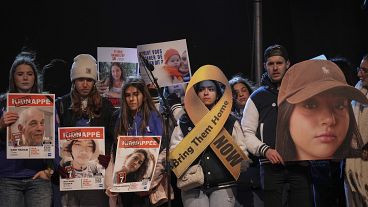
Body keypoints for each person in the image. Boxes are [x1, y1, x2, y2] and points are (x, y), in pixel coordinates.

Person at [241, 44, 313, 207]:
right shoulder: (257, 97)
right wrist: (266, 150)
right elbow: (247, 132)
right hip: (270, 167)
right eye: (271, 63)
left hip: (299, 165)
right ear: (265, 66)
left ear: (288, 64)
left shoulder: (301, 93)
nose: (275, 68)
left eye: (279, 63)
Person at [170, 76, 250, 207]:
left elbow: (242, 152)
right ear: (196, 94)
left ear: (218, 94)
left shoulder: (229, 121)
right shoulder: (185, 121)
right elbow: (174, 152)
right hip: (193, 184)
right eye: (201, 90)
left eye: (211, 89)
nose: (206, 93)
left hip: (223, 184)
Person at [275, 59, 366, 161]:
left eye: (339, 106)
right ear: (286, 113)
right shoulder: (274, 173)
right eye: (310, 105)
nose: (329, 120)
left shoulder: (355, 171)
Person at [56, 54, 114, 207]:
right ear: (74, 81)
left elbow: (112, 138)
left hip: (96, 178)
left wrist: (107, 157)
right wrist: (58, 164)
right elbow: (54, 138)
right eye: (81, 79)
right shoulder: (61, 105)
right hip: (69, 176)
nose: (85, 84)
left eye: (89, 80)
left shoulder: (106, 106)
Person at [0, 51, 53, 207]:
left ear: (35, 78)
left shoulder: (47, 102)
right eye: (20, 74)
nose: (25, 78)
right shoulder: (3, 103)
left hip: (38, 177)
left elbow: (55, 138)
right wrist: (1, 124)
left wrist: (50, 170)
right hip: (8, 178)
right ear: (13, 77)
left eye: (29, 74)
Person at [105, 76, 164, 207]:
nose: (132, 99)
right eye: (128, 95)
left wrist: (151, 183)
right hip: (124, 184)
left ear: (143, 94)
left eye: (136, 94)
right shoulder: (117, 117)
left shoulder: (154, 116)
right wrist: (111, 183)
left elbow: (162, 152)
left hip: (149, 185)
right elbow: (113, 154)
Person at [229, 74, 262, 207]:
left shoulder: (261, 113)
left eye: (244, 90)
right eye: (236, 93)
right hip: (241, 174)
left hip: (260, 168)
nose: (241, 95)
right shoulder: (229, 119)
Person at [345, 53, 368, 206]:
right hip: (353, 160)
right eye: (359, 69)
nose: (360, 74)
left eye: (365, 70)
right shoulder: (356, 92)